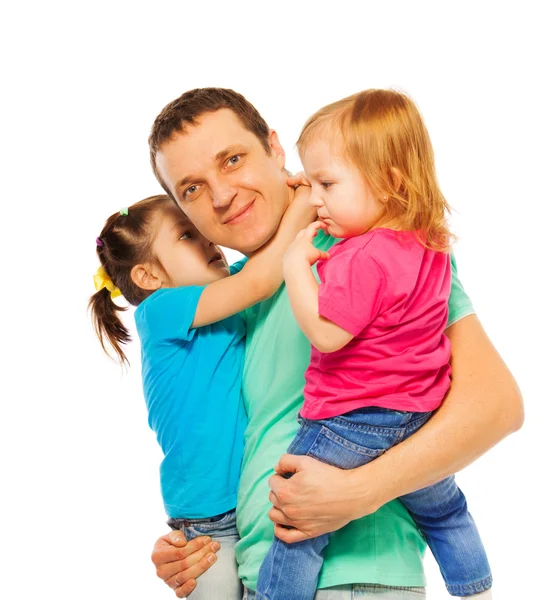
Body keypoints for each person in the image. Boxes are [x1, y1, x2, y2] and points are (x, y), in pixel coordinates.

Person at [146, 88, 523, 599]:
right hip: (263, 578)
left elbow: (496, 406)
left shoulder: (372, 247)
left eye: (232, 160)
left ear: (276, 150)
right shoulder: (228, 300)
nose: (219, 195)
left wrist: (359, 491)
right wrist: (198, 545)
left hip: (357, 576)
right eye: (190, 189)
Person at [256, 90, 491, 600]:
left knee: (298, 523)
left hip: (350, 420)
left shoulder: (363, 256)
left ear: (388, 182)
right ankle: (476, 590)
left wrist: (295, 267)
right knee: (447, 512)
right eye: (309, 181)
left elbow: (326, 332)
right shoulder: (431, 241)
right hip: (419, 415)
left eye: (327, 183)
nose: (315, 197)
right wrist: (312, 186)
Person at [88, 192, 316, 599]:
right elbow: (261, 280)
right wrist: (301, 208)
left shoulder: (223, 293)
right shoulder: (160, 309)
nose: (208, 240)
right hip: (207, 518)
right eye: (186, 236)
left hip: (250, 502)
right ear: (148, 277)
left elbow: (266, 264)